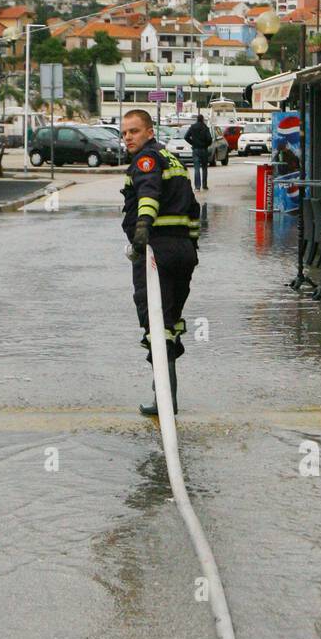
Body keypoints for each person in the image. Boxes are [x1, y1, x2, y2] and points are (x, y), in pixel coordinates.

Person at [121, 108, 200, 416]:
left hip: (156, 252)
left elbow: (148, 195)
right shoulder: (174, 160)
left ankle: (164, 401)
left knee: (156, 325)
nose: (128, 137)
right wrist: (192, 247)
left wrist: (142, 231)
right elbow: (193, 208)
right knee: (169, 324)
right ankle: (166, 398)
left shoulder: (147, 160)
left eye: (134, 131)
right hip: (183, 253)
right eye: (125, 132)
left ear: (150, 132)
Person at [184, 112, 212, 191]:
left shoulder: (192, 127)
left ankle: (197, 187)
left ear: (197, 119)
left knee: (196, 168)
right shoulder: (205, 127)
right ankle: (204, 185)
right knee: (204, 168)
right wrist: (206, 144)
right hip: (204, 149)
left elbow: (186, 137)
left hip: (195, 149)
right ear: (202, 119)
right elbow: (209, 139)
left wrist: (192, 142)